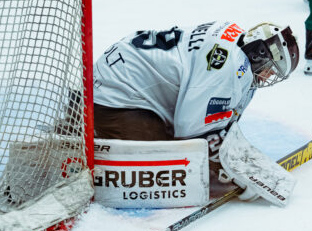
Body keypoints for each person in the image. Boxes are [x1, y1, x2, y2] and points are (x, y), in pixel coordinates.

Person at [92, 21, 299, 168]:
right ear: (257, 53)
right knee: (160, 164)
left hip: (125, 72)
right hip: (117, 89)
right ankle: (87, 127)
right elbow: (189, 132)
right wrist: (225, 168)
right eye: (270, 69)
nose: (267, 76)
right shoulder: (228, 67)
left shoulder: (234, 40)